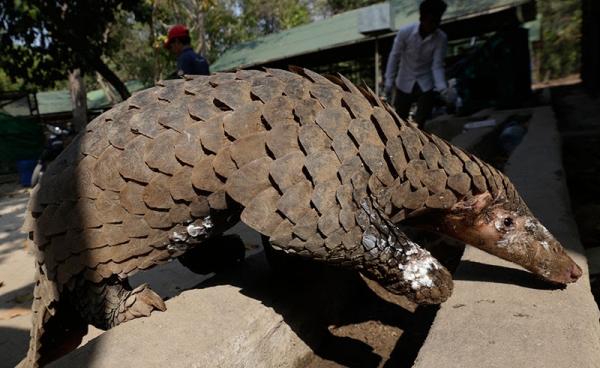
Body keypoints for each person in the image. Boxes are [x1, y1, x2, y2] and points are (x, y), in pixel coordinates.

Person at [384, 0, 449, 128]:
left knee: (421, 120)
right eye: (430, 22)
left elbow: (437, 65)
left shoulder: (441, 38)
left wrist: (443, 89)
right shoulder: (405, 32)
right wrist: (389, 82)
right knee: (399, 119)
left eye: (437, 22)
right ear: (421, 19)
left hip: (425, 82)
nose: (433, 26)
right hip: (404, 80)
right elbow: (394, 56)